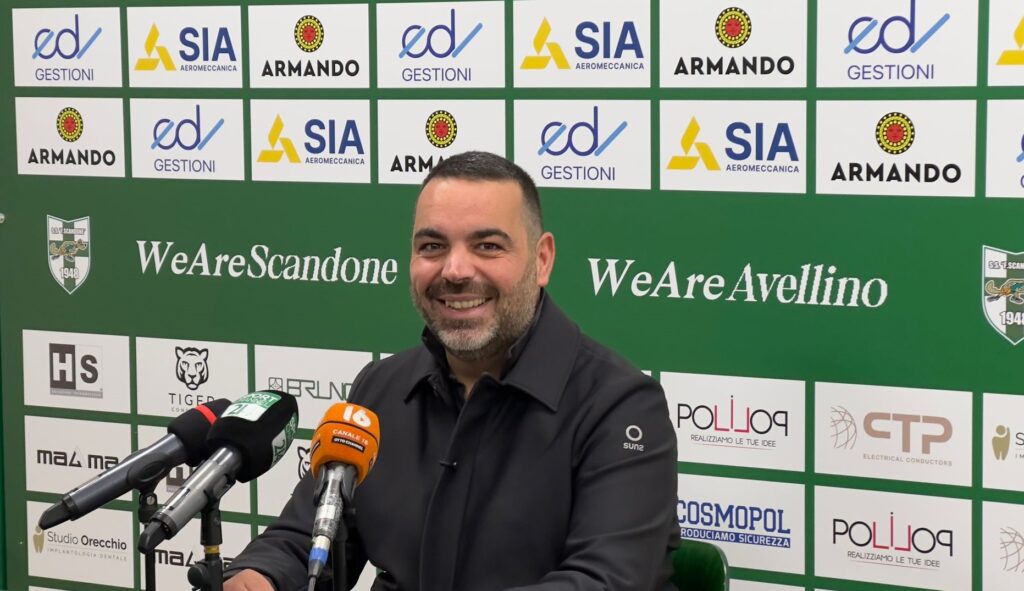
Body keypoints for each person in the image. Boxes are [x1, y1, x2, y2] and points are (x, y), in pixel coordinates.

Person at [224, 151, 679, 591]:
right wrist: (262, 575)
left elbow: (607, 580)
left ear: (542, 260)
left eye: (488, 246)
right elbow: (308, 538)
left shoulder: (620, 407)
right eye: (432, 246)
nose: (455, 270)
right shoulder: (380, 389)